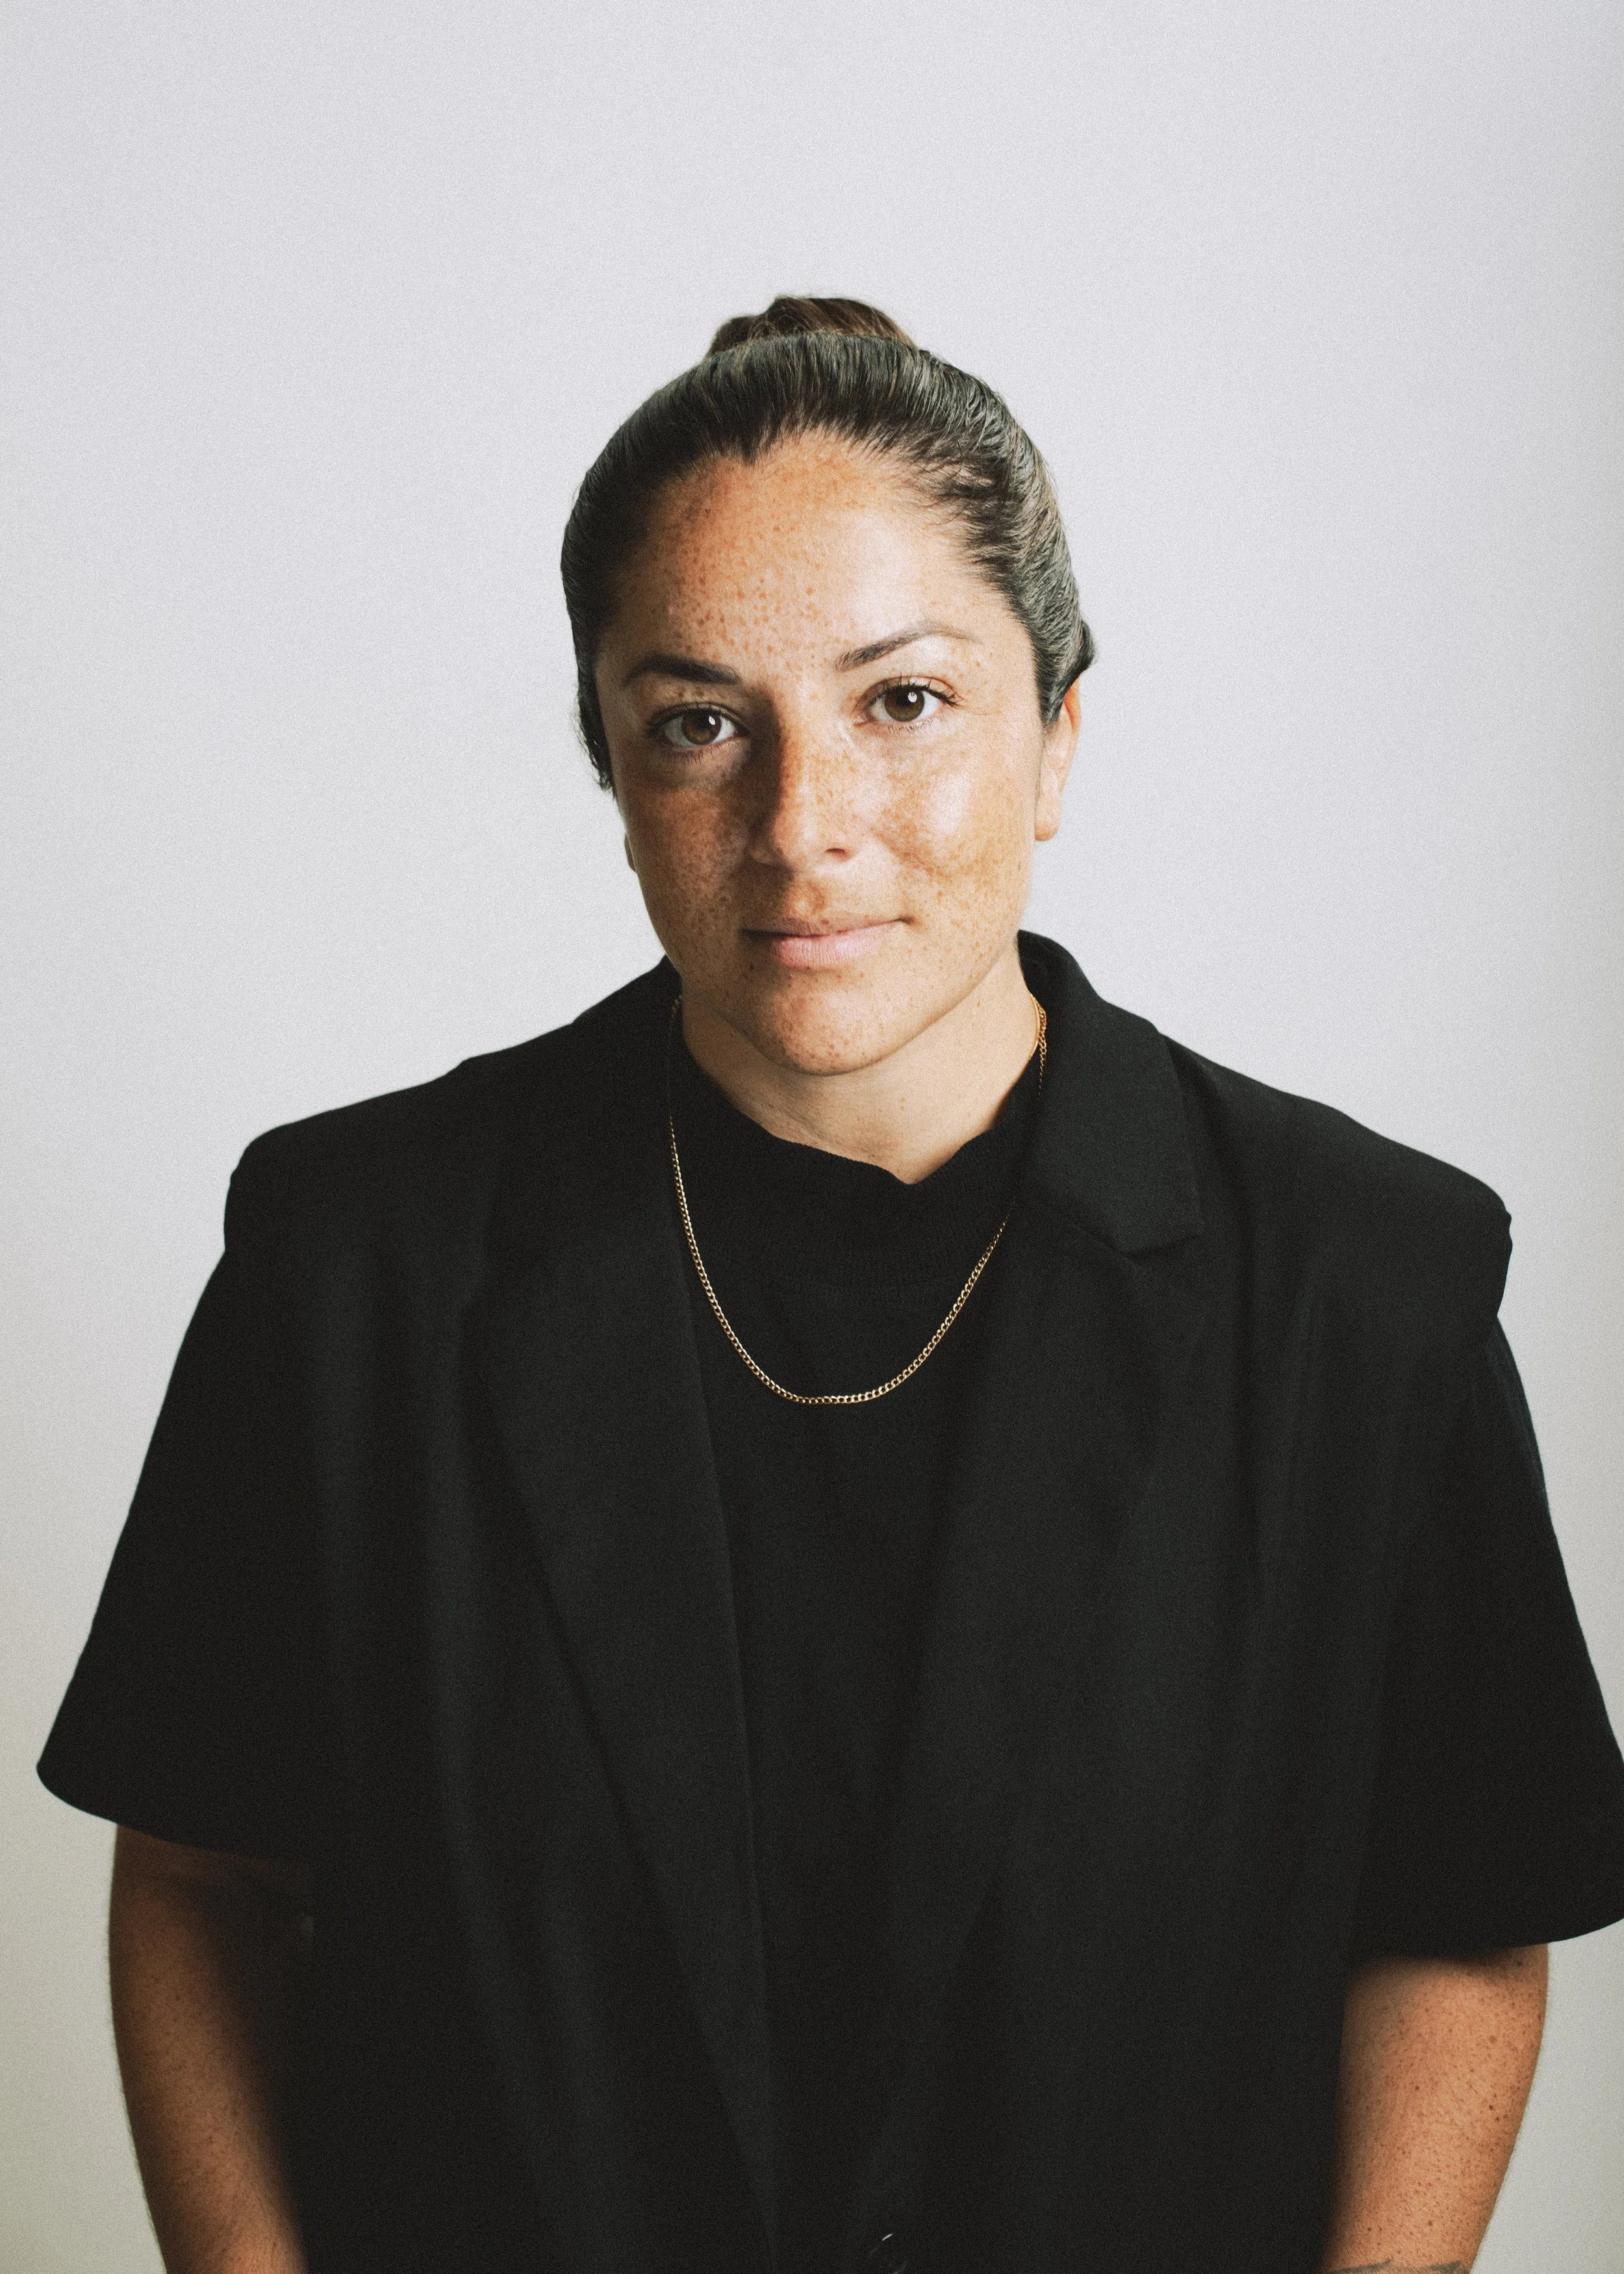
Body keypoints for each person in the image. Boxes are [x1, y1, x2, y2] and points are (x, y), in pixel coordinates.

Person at [39, 296, 1624, 2274]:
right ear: (610, 763)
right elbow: (202, 1875)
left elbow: (1461, 1917)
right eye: (699, 720)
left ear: (1055, 731)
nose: (801, 829)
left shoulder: (1361, 1291)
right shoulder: (351, 1265)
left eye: (903, 702)